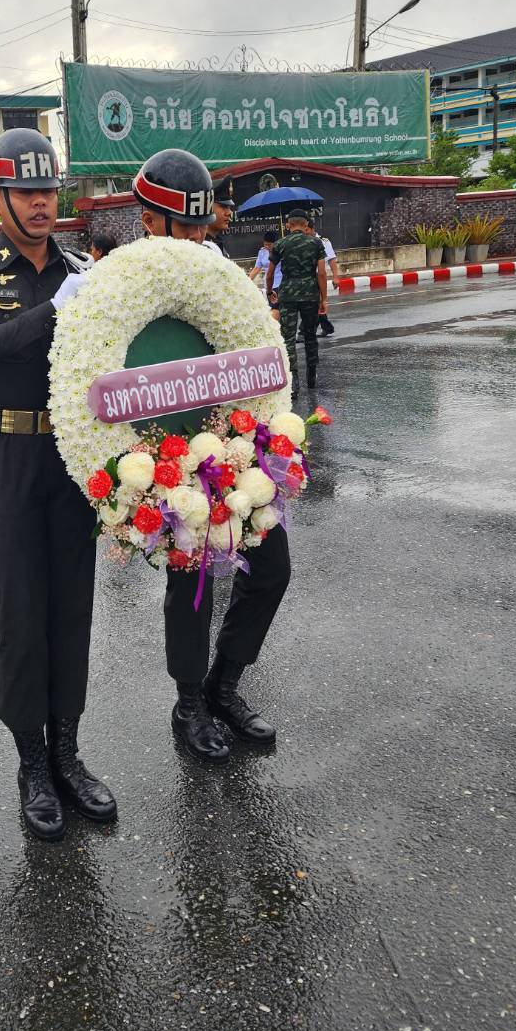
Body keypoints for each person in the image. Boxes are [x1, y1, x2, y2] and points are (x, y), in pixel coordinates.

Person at [0, 128, 117, 842]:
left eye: (49, 190)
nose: (42, 203)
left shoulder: (80, 266)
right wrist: (53, 311)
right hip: (2, 453)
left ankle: (69, 750)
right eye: (27, 191)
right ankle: (31, 762)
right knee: (21, 609)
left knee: (72, 606)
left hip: (71, 454)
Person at [134, 148, 290, 761]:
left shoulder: (222, 272)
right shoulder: (126, 282)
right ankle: (190, 701)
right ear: (149, 221)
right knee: (191, 585)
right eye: (185, 225)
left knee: (272, 570)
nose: (199, 237)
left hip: (236, 445)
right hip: (168, 452)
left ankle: (227, 684)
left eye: (203, 224)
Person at [269, 211, 327, 396]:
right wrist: (324, 299)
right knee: (310, 335)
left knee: (288, 338)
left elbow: (270, 273)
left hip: (287, 295)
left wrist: (271, 291)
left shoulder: (280, 244)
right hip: (310, 295)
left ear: (288, 224)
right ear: (306, 224)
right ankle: (312, 375)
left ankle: (293, 382)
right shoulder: (316, 243)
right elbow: (322, 273)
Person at [309, 224, 339, 336]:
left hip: (318, 276)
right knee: (314, 303)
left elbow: (331, 260)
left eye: (307, 230)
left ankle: (304, 332)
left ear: (312, 229)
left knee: (314, 304)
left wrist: (335, 277)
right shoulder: (303, 241)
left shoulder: (323, 242)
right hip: (306, 277)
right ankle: (326, 326)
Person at [205, 175, 236, 256]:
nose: (229, 213)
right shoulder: (202, 247)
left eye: (229, 207)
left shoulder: (217, 242)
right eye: (224, 206)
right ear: (208, 207)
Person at [251, 232, 282, 306]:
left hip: (280, 284)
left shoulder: (281, 251)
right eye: (265, 244)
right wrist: (247, 280)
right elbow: (257, 268)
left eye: (269, 245)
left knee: (276, 309)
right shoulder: (262, 252)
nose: (267, 247)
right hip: (268, 286)